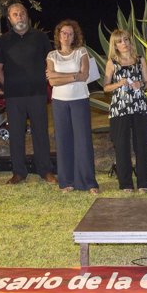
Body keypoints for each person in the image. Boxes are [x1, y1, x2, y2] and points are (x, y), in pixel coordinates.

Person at [0, 3, 57, 185]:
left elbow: (50, 61)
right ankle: (19, 172)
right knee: (16, 135)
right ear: (10, 19)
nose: (19, 17)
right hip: (15, 97)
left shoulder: (40, 36)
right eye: (15, 14)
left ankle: (45, 171)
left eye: (22, 13)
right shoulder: (4, 40)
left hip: (37, 94)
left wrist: (46, 79)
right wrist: (9, 86)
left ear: (27, 16)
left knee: (40, 133)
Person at [46, 19, 99, 194]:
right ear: (59, 36)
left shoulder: (81, 52)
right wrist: (73, 75)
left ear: (74, 36)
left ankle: (89, 182)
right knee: (63, 141)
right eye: (64, 33)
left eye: (70, 33)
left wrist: (60, 75)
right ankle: (66, 181)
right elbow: (52, 81)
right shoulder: (52, 55)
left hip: (79, 99)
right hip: (59, 102)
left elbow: (84, 76)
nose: (67, 36)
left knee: (83, 141)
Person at [103, 29, 147, 193]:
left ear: (130, 41)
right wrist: (119, 83)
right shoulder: (112, 62)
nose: (124, 43)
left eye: (126, 40)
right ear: (115, 45)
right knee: (122, 146)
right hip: (119, 109)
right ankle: (125, 184)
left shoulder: (140, 60)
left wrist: (142, 84)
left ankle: (144, 182)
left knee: (141, 145)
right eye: (119, 41)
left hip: (139, 107)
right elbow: (105, 87)